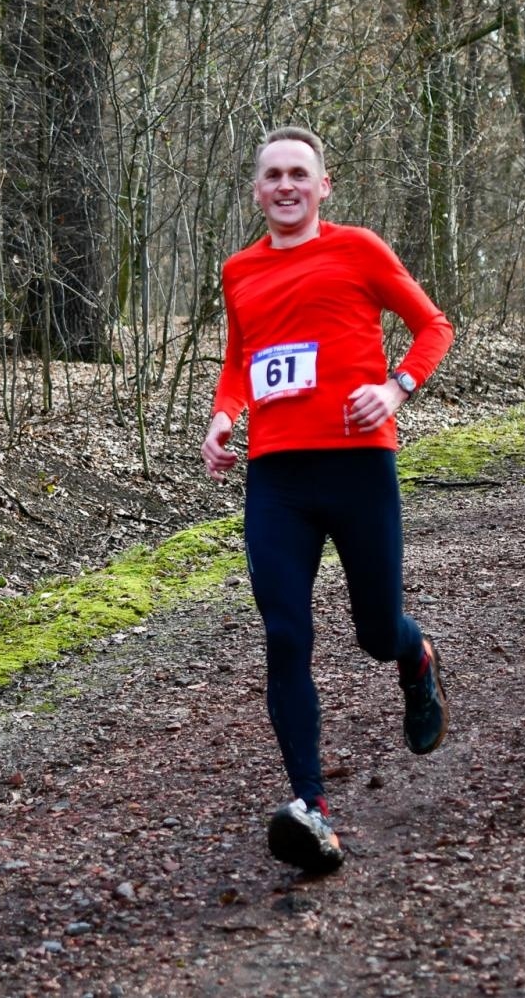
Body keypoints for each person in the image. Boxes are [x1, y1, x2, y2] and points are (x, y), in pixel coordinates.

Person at [201, 127, 454, 874]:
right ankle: (311, 809)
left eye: (298, 174)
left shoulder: (359, 250)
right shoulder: (239, 270)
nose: (286, 185)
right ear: (257, 190)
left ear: (322, 186)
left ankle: (416, 657)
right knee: (285, 634)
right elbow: (240, 359)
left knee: (376, 632)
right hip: (277, 479)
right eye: (273, 175)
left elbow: (433, 326)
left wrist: (396, 388)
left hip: (358, 467)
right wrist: (223, 417)